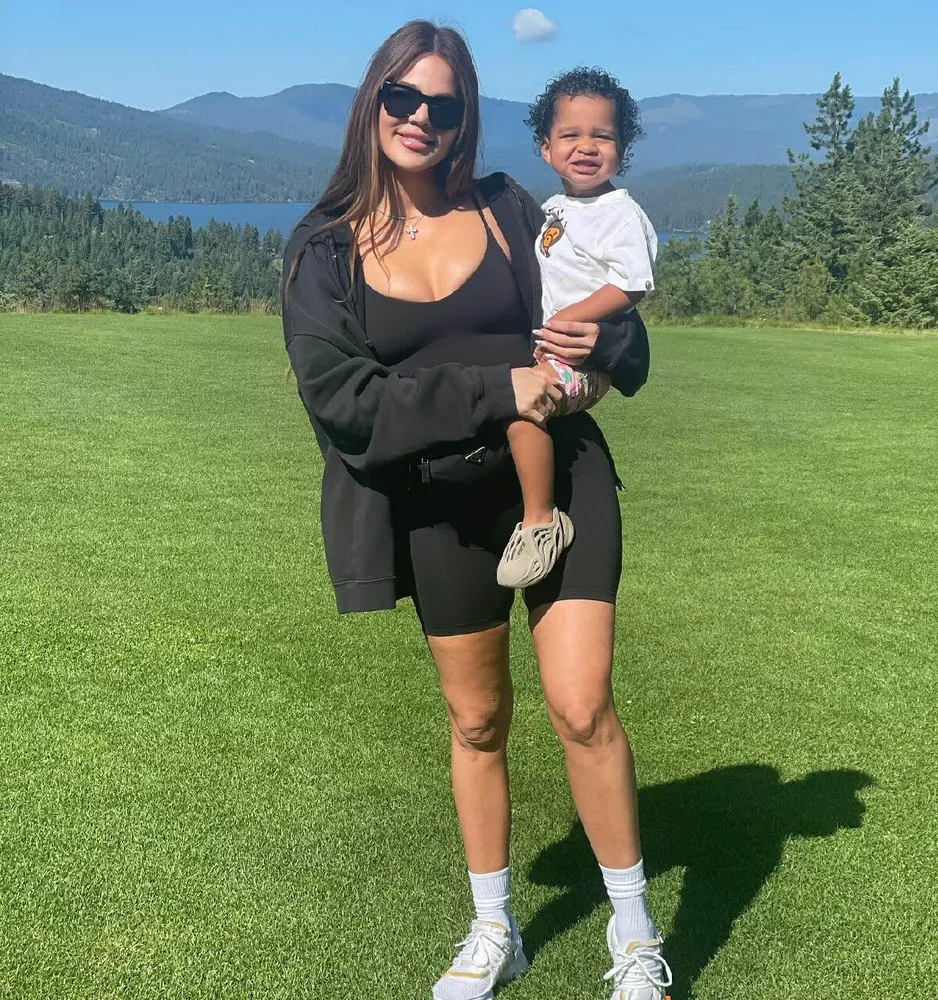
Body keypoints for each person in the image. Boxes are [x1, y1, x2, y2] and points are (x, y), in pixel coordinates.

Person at [281, 20, 668, 1000]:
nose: (420, 117)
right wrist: (502, 388)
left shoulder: (506, 209)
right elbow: (346, 404)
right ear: (373, 102)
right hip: (439, 502)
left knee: (581, 707)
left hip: (559, 477)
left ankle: (633, 935)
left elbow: (610, 316)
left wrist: (603, 357)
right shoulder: (324, 249)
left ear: (466, 119)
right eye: (402, 97)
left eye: (443, 105)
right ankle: (497, 928)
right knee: (479, 720)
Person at [495, 68, 659, 590]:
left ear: (622, 149)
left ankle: (540, 523)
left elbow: (632, 285)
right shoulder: (554, 209)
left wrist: (571, 320)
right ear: (545, 149)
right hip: (551, 345)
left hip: (579, 355)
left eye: (602, 136)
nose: (586, 147)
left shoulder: (620, 214)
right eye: (570, 135)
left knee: (522, 406)